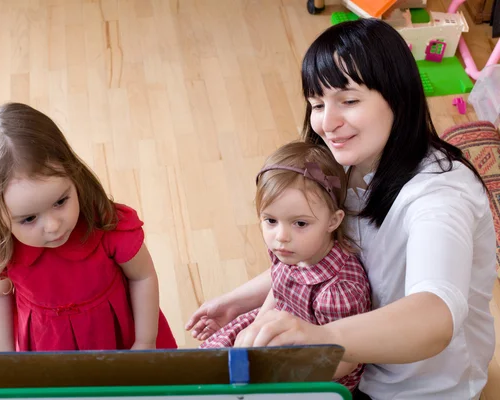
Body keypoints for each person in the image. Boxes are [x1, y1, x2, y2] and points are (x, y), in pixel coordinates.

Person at [186, 19, 497, 400]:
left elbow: (434, 316)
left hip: (421, 386)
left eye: (348, 101)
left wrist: (325, 338)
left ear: (398, 97)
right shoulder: (343, 162)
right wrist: (239, 300)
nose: (327, 123)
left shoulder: (441, 196)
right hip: (356, 364)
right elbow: (317, 255)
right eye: (317, 104)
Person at [0, 102, 177, 352]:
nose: (53, 226)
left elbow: (142, 276)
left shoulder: (107, 224)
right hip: (47, 343)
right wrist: (8, 357)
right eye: (29, 219)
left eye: (61, 201)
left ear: (73, 177)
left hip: (120, 336)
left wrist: (145, 340)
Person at [199, 141, 371, 391]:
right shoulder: (290, 250)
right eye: (270, 220)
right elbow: (280, 290)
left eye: (300, 223)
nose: (281, 236)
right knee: (210, 365)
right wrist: (257, 324)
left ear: (333, 221)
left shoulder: (338, 292)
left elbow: (346, 360)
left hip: (317, 374)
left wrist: (282, 372)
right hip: (281, 333)